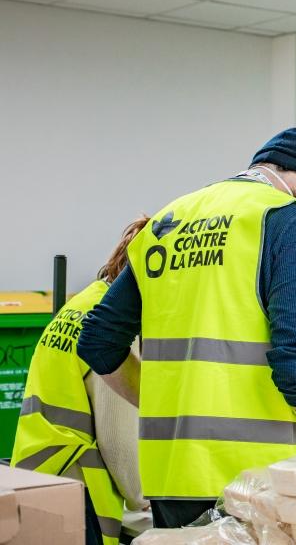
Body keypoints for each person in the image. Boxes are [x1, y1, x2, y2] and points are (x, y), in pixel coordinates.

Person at [78, 128, 296, 529]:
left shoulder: (169, 219)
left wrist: (168, 404)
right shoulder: (289, 219)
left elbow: (97, 341)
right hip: (257, 483)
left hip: (170, 477)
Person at [12, 216, 149, 545]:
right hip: (77, 492)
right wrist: (147, 500)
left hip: (36, 476)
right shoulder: (115, 327)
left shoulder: (83, 303)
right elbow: (119, 443)